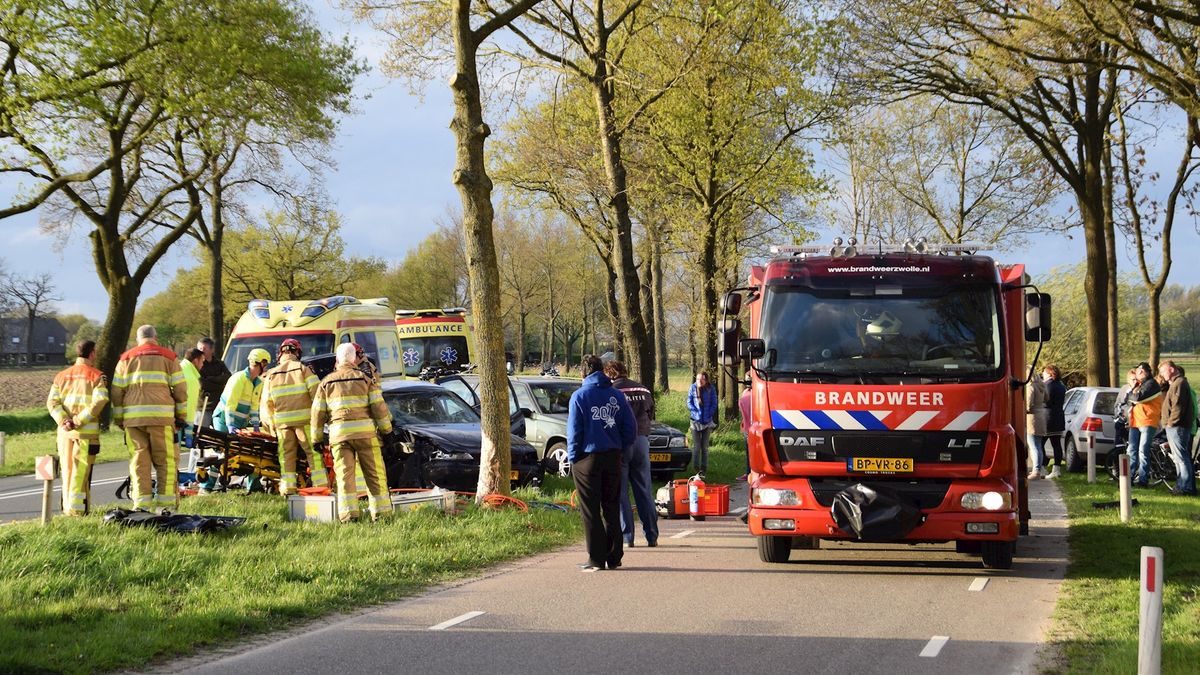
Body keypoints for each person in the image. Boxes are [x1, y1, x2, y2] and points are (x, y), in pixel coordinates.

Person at [311, 343, 394, 522]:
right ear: (354, 359)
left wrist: (316, 439)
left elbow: (318, 413)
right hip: (366, 435)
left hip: (339, 436)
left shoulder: (326, 382)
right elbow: (379, 408)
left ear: (337, 360)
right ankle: (382, 514)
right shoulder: (365, 380)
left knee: (344, 476)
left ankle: (349, 516)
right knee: (375, 474)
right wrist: (387, 432)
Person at [568, 354, 636, 571]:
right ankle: (614, 556)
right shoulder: (616, 395)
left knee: (590, 510)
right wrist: (620, 447)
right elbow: (630, 428)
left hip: (587, 458)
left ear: (583, 372)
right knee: (611, 506)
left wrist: (572, 458)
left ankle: (596, 558)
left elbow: (574, 432)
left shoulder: (579, 396)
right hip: (613, 455)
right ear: (603, 371)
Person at [111, 325, 188, 510]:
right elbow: (180, 390)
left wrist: (120, 419)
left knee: (139, 463)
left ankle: (141, 507)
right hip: (161, 418)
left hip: (133, 420)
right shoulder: (169, 357)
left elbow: (116, 392)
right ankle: (166, 508)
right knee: (166, 463)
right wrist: (180, 416)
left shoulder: (125, 358)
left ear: (138, 339)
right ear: (155, 337)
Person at [46, 340, 109, 515]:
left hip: (64, 433)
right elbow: (101, 399)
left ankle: (68, 510)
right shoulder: (96, 376)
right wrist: (78, 420)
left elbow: (52, 402)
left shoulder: (62, 376)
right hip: (85, 435)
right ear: (93, 353)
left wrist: (64, 420)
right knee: (81, 474)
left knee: (67, 472)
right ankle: (78, 512)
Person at [604, 360, 659, 548]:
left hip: (621, 444)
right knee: (644, 489)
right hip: (642, 441)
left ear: (610, 374)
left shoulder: (612, 392)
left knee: (621, 492)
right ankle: (652, 535)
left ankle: (628, 537)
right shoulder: (644, 390)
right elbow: (651, 413)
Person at [261, 338, 323, 493]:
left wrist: (271, 426)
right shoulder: (303, 369)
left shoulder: (271, 374)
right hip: (305, 422)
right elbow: (317, 395)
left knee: (286, 456)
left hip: (282, 424)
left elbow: (266, 403)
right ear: (298, 352)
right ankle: (320, 487)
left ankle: (288, 488)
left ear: (280, 354)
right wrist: (322, 418)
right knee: (313, 455)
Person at [1158, 361, 1197, 496]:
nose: (1162, 375)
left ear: (1172, 369)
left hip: (1177, 427)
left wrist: (1171, 423)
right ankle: (1184, 485)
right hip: (1177, 426)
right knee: (1182, 457)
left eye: (1163, 371)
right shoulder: (1178, 383)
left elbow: (1178, 406)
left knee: (1181, 458)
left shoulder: (1179, 383)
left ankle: (1185, 487)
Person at [212, 349, 270, 433]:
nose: (266, 368)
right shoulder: (239, 379)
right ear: (260, 363)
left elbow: (254, 406)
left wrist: (255, 424)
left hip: (239, 424)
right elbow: (230, 403)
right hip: (224, 421)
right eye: (266, 365)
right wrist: (230, 425)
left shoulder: (258, 383)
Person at [1127, 362, 1164, 488]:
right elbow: (1129, 397)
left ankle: (1143, 480)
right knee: (1131, 450)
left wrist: (1133, 393)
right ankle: (1129, 478)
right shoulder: (1141, 384)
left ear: (1146, 372)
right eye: (1137, 372)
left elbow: (1137, 398)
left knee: (1143, 451)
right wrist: (1133, 393)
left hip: (1147, 421)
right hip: (1135, 421)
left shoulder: (1152, 384)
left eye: (1140, 371)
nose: (1138, 374)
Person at [687, 371, 718, 478]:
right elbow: (689, 402)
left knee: (704, 448)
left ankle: (703, 469)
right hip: (695, 421)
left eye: (702, 379)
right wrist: (694, 411)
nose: (700, 381)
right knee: (696, 447)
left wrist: (709, 414)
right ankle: (696, 469)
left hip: (707, 422)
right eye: (698, 379)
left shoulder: (711, 389)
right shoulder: (692, 388)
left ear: (706, 380)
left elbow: (714, 403)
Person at [1039, 364, 1067, 478]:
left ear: (1049, 373)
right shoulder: (1061, 385)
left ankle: (1042, 467)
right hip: (1058, 417)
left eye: (1044, 372)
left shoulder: (1047, 385)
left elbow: (1046, 401)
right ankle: (1056, 469)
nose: (1043, 374)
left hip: (1047, 418)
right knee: (1056, 444)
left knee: (1040, 443)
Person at [197, 337, 231, 428]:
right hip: (204, 407)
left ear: (212, 350)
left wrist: (211, 379)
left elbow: (228, 377)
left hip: (218, 406)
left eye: (204, 349)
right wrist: (220, 386)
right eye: (199, 349)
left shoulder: (219, 364)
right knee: (202, 434)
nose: (201, 351)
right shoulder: (198, 365)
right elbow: (202, 384)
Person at [1026, 372, 1049, 479]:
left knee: (1033, 445)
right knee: (1039, 445)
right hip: (1041, 415)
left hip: (1032, 417)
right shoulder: (1042, 385)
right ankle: (1039, 469)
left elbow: (1028, 403)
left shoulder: (1030, 386)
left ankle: (1035, 471)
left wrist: (1025, 409)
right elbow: (1047, 398)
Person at [1113, 368, 1136, 446]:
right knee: (1119, 445)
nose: (1135, 382)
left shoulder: (1139, 390)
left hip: (1133, 423)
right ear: (1128, 380)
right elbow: (1117, 403)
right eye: (1133, 380)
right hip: (1121, 421)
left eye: (1136, 379)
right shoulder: (1124, 388)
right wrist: (1117, 416)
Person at [738, 386, 752, 481]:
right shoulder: (759, 391)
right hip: (755, 426)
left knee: (749, 452)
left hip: (748, 427)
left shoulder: (745, 393)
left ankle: (749, 473)